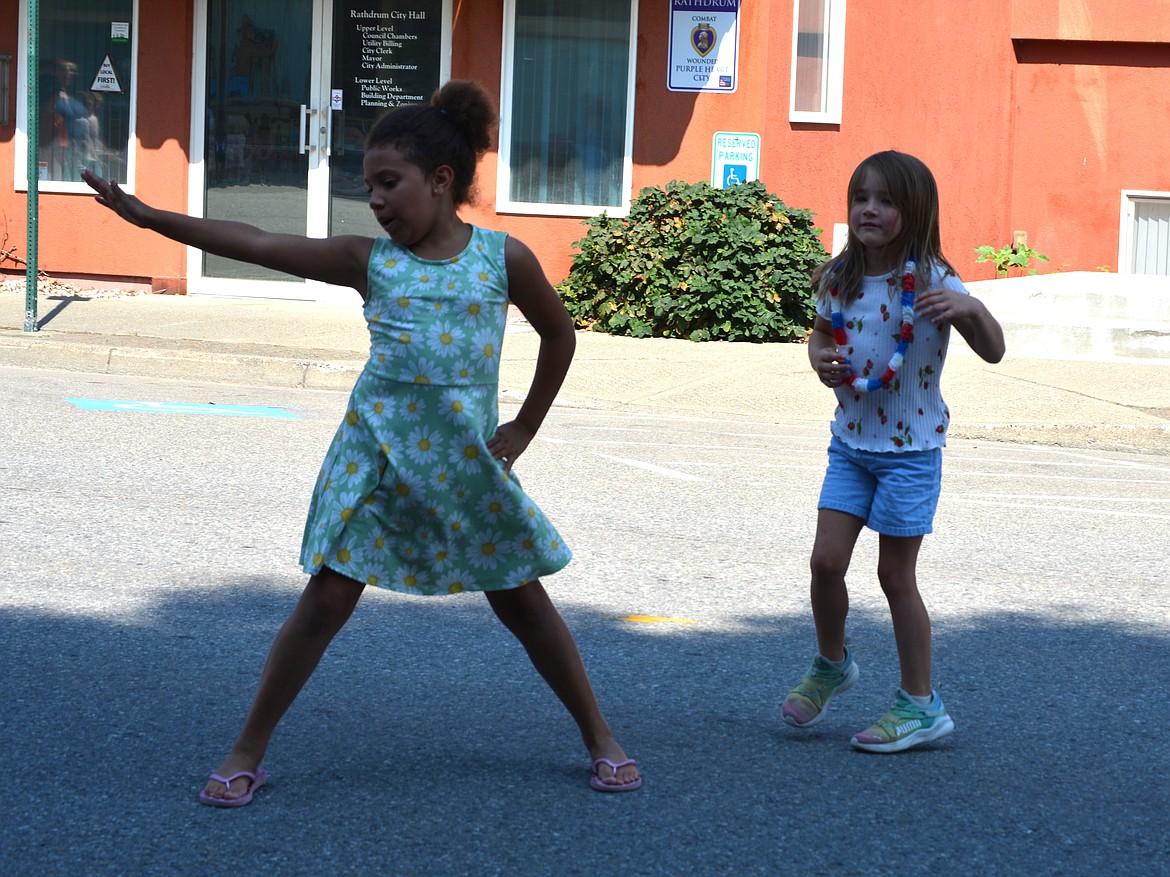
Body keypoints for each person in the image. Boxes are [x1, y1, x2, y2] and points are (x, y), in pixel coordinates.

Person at [81, 80, 641, 804]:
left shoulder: (505, 259)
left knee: (526, 605)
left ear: (441, 182)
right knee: (323, 603)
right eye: (368, 185)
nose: (375, 200)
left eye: (388, 183)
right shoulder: (368, 261)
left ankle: (599, 734)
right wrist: (153, 220)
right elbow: (255, 241)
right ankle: (248, 745)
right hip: (377, 461)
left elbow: (560, 334)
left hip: (464, 465)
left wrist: (527, 423)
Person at [780, 150, 1005, 753]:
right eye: (860, 197)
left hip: (911, 451)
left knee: (893, 575)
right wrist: (818, 359)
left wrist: (973, 309)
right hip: (851, 444)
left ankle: (920, 705)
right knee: (825, 563)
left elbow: (993, 350)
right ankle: (832, 663)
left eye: (884, 200)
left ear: (915, 211)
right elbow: (823, 332)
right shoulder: (839, 278)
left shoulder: (933, 279)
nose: (869, 210)